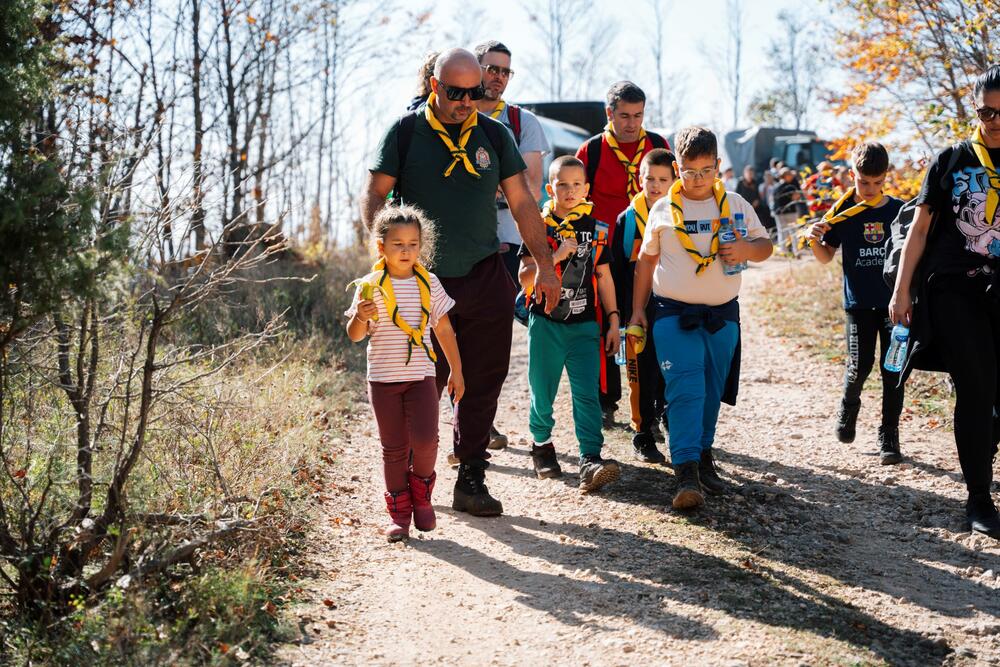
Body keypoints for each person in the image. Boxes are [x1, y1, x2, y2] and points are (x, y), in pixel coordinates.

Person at [362, 48, 561, 518]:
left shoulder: (493, 134)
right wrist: (380, 265)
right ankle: (411, 474)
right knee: (424, 380)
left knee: (485, 379)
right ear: (434, 86)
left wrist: (545, 264)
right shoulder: (406, 132)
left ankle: (471, 474)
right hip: (421, 281)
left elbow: (522, 201)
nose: (467, 101)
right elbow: (376, 193)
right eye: (456, 92)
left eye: (475, 92)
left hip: (483, 273)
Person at [630, 126, 773, 509]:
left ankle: (703, 455)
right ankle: (686, 471)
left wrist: (745, 248)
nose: (697, 180)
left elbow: (765, 246)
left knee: (711, 390)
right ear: (677, 167)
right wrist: (637, 311)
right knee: (686, 385)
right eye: (690, 171)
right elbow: (646, 262)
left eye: (705, 171)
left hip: (722, 317)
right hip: (672, 314)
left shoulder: (737, 204)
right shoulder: (663, 208)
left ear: (718, 166)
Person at [889, 64, 1000, 538]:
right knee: (975, 386)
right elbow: (919, 229)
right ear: (974, 109)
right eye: (986, 110)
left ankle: (982, 449)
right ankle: (978, 497)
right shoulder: (952, 160)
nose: (994, 119)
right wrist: (900, 289)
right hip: (954, 286)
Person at [345, 205, 464, 541]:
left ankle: (422, 498)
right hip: (383, 380)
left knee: (427, 441)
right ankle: (399, 515)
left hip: (421, 375)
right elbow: (355, 335)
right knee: (394, 448)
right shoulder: (370, 285)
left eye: (413, 243)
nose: (406, 250)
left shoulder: (430, 283)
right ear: (381, 247)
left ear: (421, 245)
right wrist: (360, 316)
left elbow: (444, 331)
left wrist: (456, 370)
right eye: (398, 243)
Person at [518, 156, 622, 491]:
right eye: (562, 184)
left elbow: (604, 277)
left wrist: (613, 320)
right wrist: (557, 255)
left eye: (577, 184)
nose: (570, 191)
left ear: (587, 189)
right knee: (543, 391)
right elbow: (524, 277)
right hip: (546, 322)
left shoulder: (596, 229)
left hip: (584, 325)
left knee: (587, 394)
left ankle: (590, 458)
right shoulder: (537, 225)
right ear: (550, 188)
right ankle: (542, 445)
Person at [576, 81, 669, 427]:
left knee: (652, 320)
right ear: (609, 113)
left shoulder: (657, 145)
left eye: (638, 115)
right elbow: (579, 197)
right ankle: (607, 398)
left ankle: (655, 400)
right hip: (606, 253)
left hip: (655, 249)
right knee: (606, 321)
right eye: (624, 115)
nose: (631, 123)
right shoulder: (593, 150)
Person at [806, 143, 906, 464]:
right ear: (852, 176)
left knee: (893, 370)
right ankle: (849, 408)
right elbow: (825, 257)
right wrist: (813, 238)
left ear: (886, 178)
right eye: (864, 182)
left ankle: (888, 435)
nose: (871, 190)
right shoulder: (842, 214)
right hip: (859, 305)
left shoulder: (900, 211)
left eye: (878, 183)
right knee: (859, 367)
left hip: (895, 306)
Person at [473, 39, 551, 452]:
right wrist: (502, 188)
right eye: (491, 68)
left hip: (509, 245)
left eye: (505, 71)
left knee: (501, 340)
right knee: (463, 338)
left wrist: (485, 193)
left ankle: (485, 419)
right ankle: (474, 424)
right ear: (475, 68)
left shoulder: (523, 124)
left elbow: (532, 189)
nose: (498, 77)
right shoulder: (454, 116)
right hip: (464, 245)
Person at [610, 148, 675, 463]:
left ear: (674, 180)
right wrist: (621, 315)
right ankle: (642, 433)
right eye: (650, 178)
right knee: (640, 375)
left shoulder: (680, 215)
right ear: (640, 178)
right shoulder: (626, 220)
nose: (656, 185)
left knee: (670, 371)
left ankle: (670, 422)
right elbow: (617, 270)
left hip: (673, 308)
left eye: (664, 179)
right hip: (637, 312)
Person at [772, 167, 804, 249]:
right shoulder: (784, 186)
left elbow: (797, 196)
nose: (792, 176)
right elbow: (795, 197)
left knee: (786, 232)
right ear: (785, 176)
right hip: (783, 214)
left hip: (787, 212)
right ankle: (789, 251)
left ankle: (789, 251)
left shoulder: (778, 186)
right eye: (789, 174)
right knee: (785, 232)